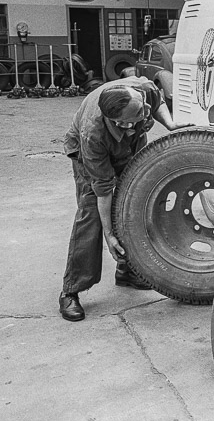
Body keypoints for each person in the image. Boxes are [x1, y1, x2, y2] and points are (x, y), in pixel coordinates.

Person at [59, 76, 191, 321]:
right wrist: (109, 235)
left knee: (134, 203)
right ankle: (71, 290)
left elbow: (157, 100)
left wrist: (171, 124)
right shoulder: (93, 135)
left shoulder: (141, 92)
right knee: (92, 217)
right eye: (139, 114)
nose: (146, 112)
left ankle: (127, 272)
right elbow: (103, 188)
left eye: (142, 108)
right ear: (121, 123)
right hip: (88, 157)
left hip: (129, 145)